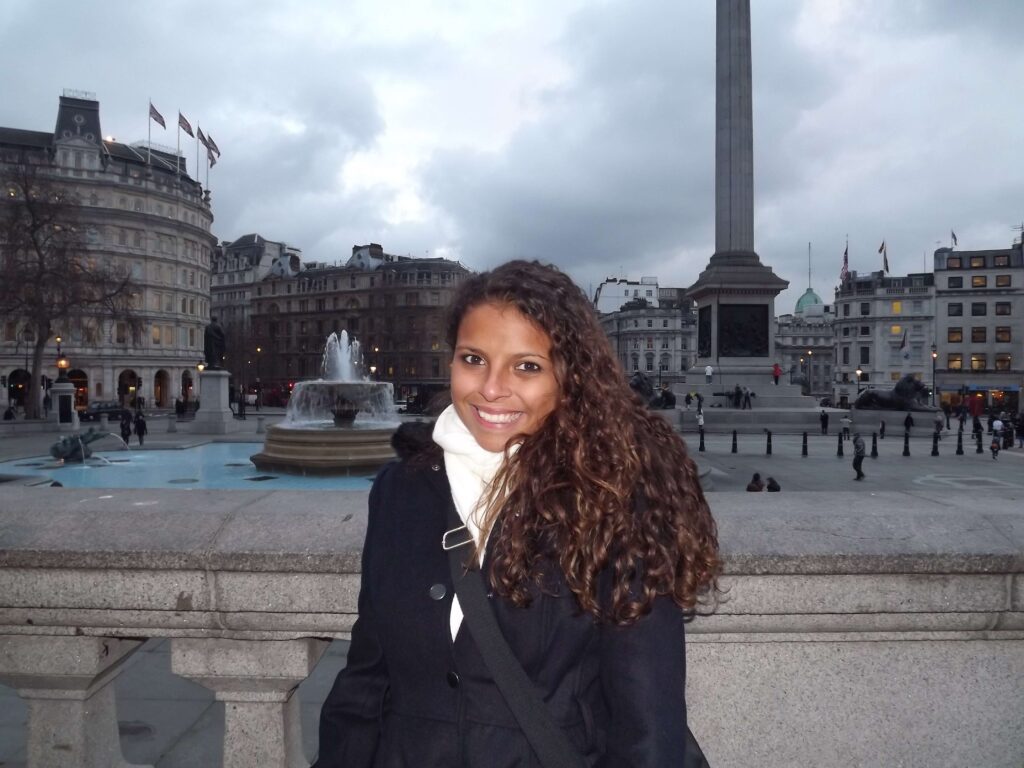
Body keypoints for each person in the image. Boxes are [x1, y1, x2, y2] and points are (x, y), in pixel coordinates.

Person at [315, 260, 719, 767]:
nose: (491, 388)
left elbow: (646, 720)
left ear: (568, 376)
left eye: (526, 366)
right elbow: (367, 677)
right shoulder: (402, 490)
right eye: (473, 359)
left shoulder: (613, 498)